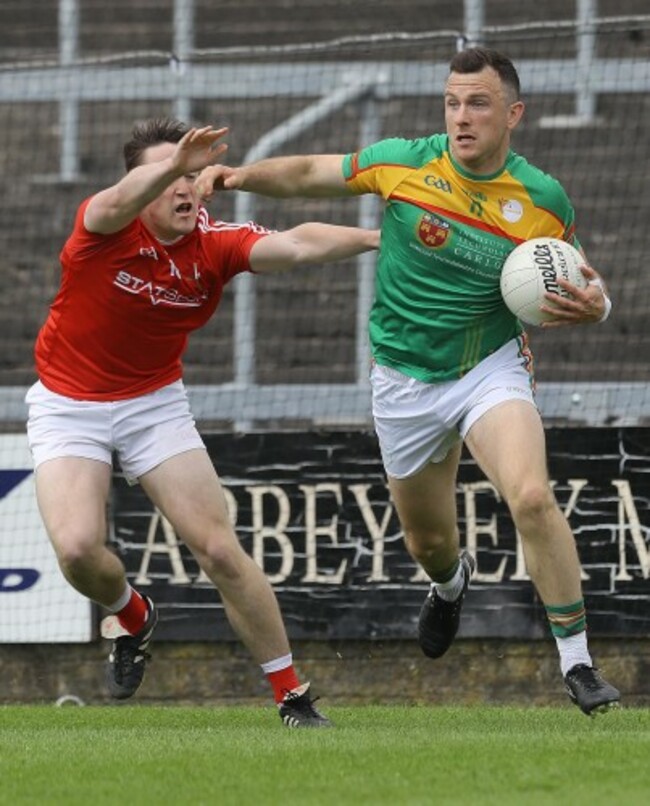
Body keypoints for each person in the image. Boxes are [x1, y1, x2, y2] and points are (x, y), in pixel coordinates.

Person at [195, 47, 620, 716]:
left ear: (513, 114)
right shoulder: (405, 161)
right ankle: (451, 587)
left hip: (487, 367)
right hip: (402, 379)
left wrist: (598, 304)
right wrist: (236, 177)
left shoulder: (542, 198)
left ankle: (578, 664)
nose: (461, 117)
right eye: (452, 103)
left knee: (532, 496)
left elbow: (579, 277)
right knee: (428, 542)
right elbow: (310, 170)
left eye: (477, 103)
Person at [26, 117, 379, 728]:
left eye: (193, 175)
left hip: (153, 404)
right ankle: (132, 615)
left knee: (218, 549)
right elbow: (116, 198)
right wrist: (166, 166)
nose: (185, 187)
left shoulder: (214, 243)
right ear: (140, 182)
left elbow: (297, 243)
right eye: (169, 177)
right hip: (68, 403)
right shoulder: (104, 224)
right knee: (80, 550)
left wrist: (379, 240)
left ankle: (292, 696)